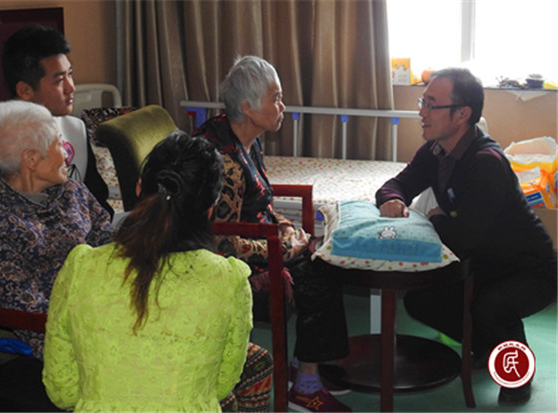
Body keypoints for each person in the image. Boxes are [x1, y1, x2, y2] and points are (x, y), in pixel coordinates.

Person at [376, 67, 557, 406]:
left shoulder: (487, 162)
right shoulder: (434, 151)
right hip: (483, 263)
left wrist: (434, 217)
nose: (422, 112)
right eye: (422, 102)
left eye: (432, 105)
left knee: (491, 308)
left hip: (529, 269)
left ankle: (518, 373)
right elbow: (396, 184)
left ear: (462, 114)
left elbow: (464, 238)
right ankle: (488, 346)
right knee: (419, 301)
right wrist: (393, 199)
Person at [43, 132, 256, 412]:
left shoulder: (82, 267)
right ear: (210, 209)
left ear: (139, 187)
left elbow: (63, 390)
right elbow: (221, 385)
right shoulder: (230, 280)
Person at [193, 55, 352, 412]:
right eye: (276, 99)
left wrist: (283, 226)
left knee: (324, 260)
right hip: (223, 262)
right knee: (320, 275)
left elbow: (259, 201)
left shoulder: (247, 138)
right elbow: (221, 242)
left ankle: (305, 365)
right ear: (247, 108)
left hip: (259, 240)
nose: (283, 107)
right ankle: (304, 387)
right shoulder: (225, 162)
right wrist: (285, 247)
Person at [0, 100, 115, 360]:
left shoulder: (74, 191)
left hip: (112, 308)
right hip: (67, 338)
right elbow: (25, 305)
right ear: (31, 159)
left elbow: (110, 244)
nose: (66, 153)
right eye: (59, 143)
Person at [0, 24, 113, 216]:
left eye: (70, 74)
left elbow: (99, 203)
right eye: (59, 80)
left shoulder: (75, 129)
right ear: (25, 90)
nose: (71, 88)